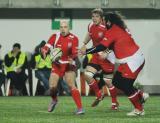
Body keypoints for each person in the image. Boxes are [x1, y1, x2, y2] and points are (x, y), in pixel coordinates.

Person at [82, 11, 149, 116]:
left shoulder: (112, 30)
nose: (102, 22)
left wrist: (85, 51)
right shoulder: (118, 27)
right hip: (129, 59)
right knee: (117, 81)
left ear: (108, 22)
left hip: (133, 60)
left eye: (103, 20)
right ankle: (141, 96)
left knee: (125, 85)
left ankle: (139, 109)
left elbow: (102, 46)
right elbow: (113, 44)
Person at [41, 20, 84, 115]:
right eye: (61, 27)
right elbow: (46, 47)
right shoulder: (54, 36)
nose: (63, 29)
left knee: (71, 85)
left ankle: (80, 108)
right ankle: (54, 100)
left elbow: (74, 54)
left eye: (65, 27)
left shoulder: (74, 38)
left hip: (68, 64)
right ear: (59, 28)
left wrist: (72, 61)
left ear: (68, 28)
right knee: (52, 87)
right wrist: (44, 51)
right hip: (57, 64)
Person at [80, 8, 119, 109]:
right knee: (87, 75)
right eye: (93, 16)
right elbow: (89, 34)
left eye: (97, 16)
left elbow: (113, 42)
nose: (94, 18)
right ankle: (99, 94)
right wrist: (84, 44)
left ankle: (114, 103)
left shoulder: (106, 27)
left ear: (102, 18)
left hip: (107, 57)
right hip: (96, 56)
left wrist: (106, 52)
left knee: (108, 81)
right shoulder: (90, 25)